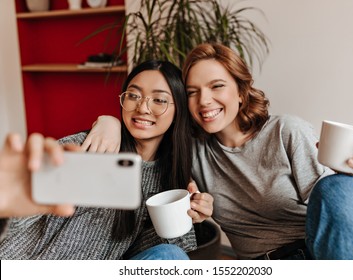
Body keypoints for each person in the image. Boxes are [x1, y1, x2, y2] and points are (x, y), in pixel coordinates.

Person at [83, 43, 353, 260]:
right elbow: (147, 131)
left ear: (241, 92)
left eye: (217, 86)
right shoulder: (192, 150)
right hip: (259, 266)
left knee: (338, 187)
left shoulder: (285, 131)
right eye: (192, 92)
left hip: (319, 253)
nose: (204, 101)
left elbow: (334, 207)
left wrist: (350, 175)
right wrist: (109, 121)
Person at [0, 60, 213, 260]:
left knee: (170, 256)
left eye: (159, 100)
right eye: (133, 95)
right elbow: (17, 215)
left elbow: (136, 250)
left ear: (179, 111)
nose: (142, 108)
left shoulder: (168, 174)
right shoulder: (86, 147)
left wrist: (187, 217)